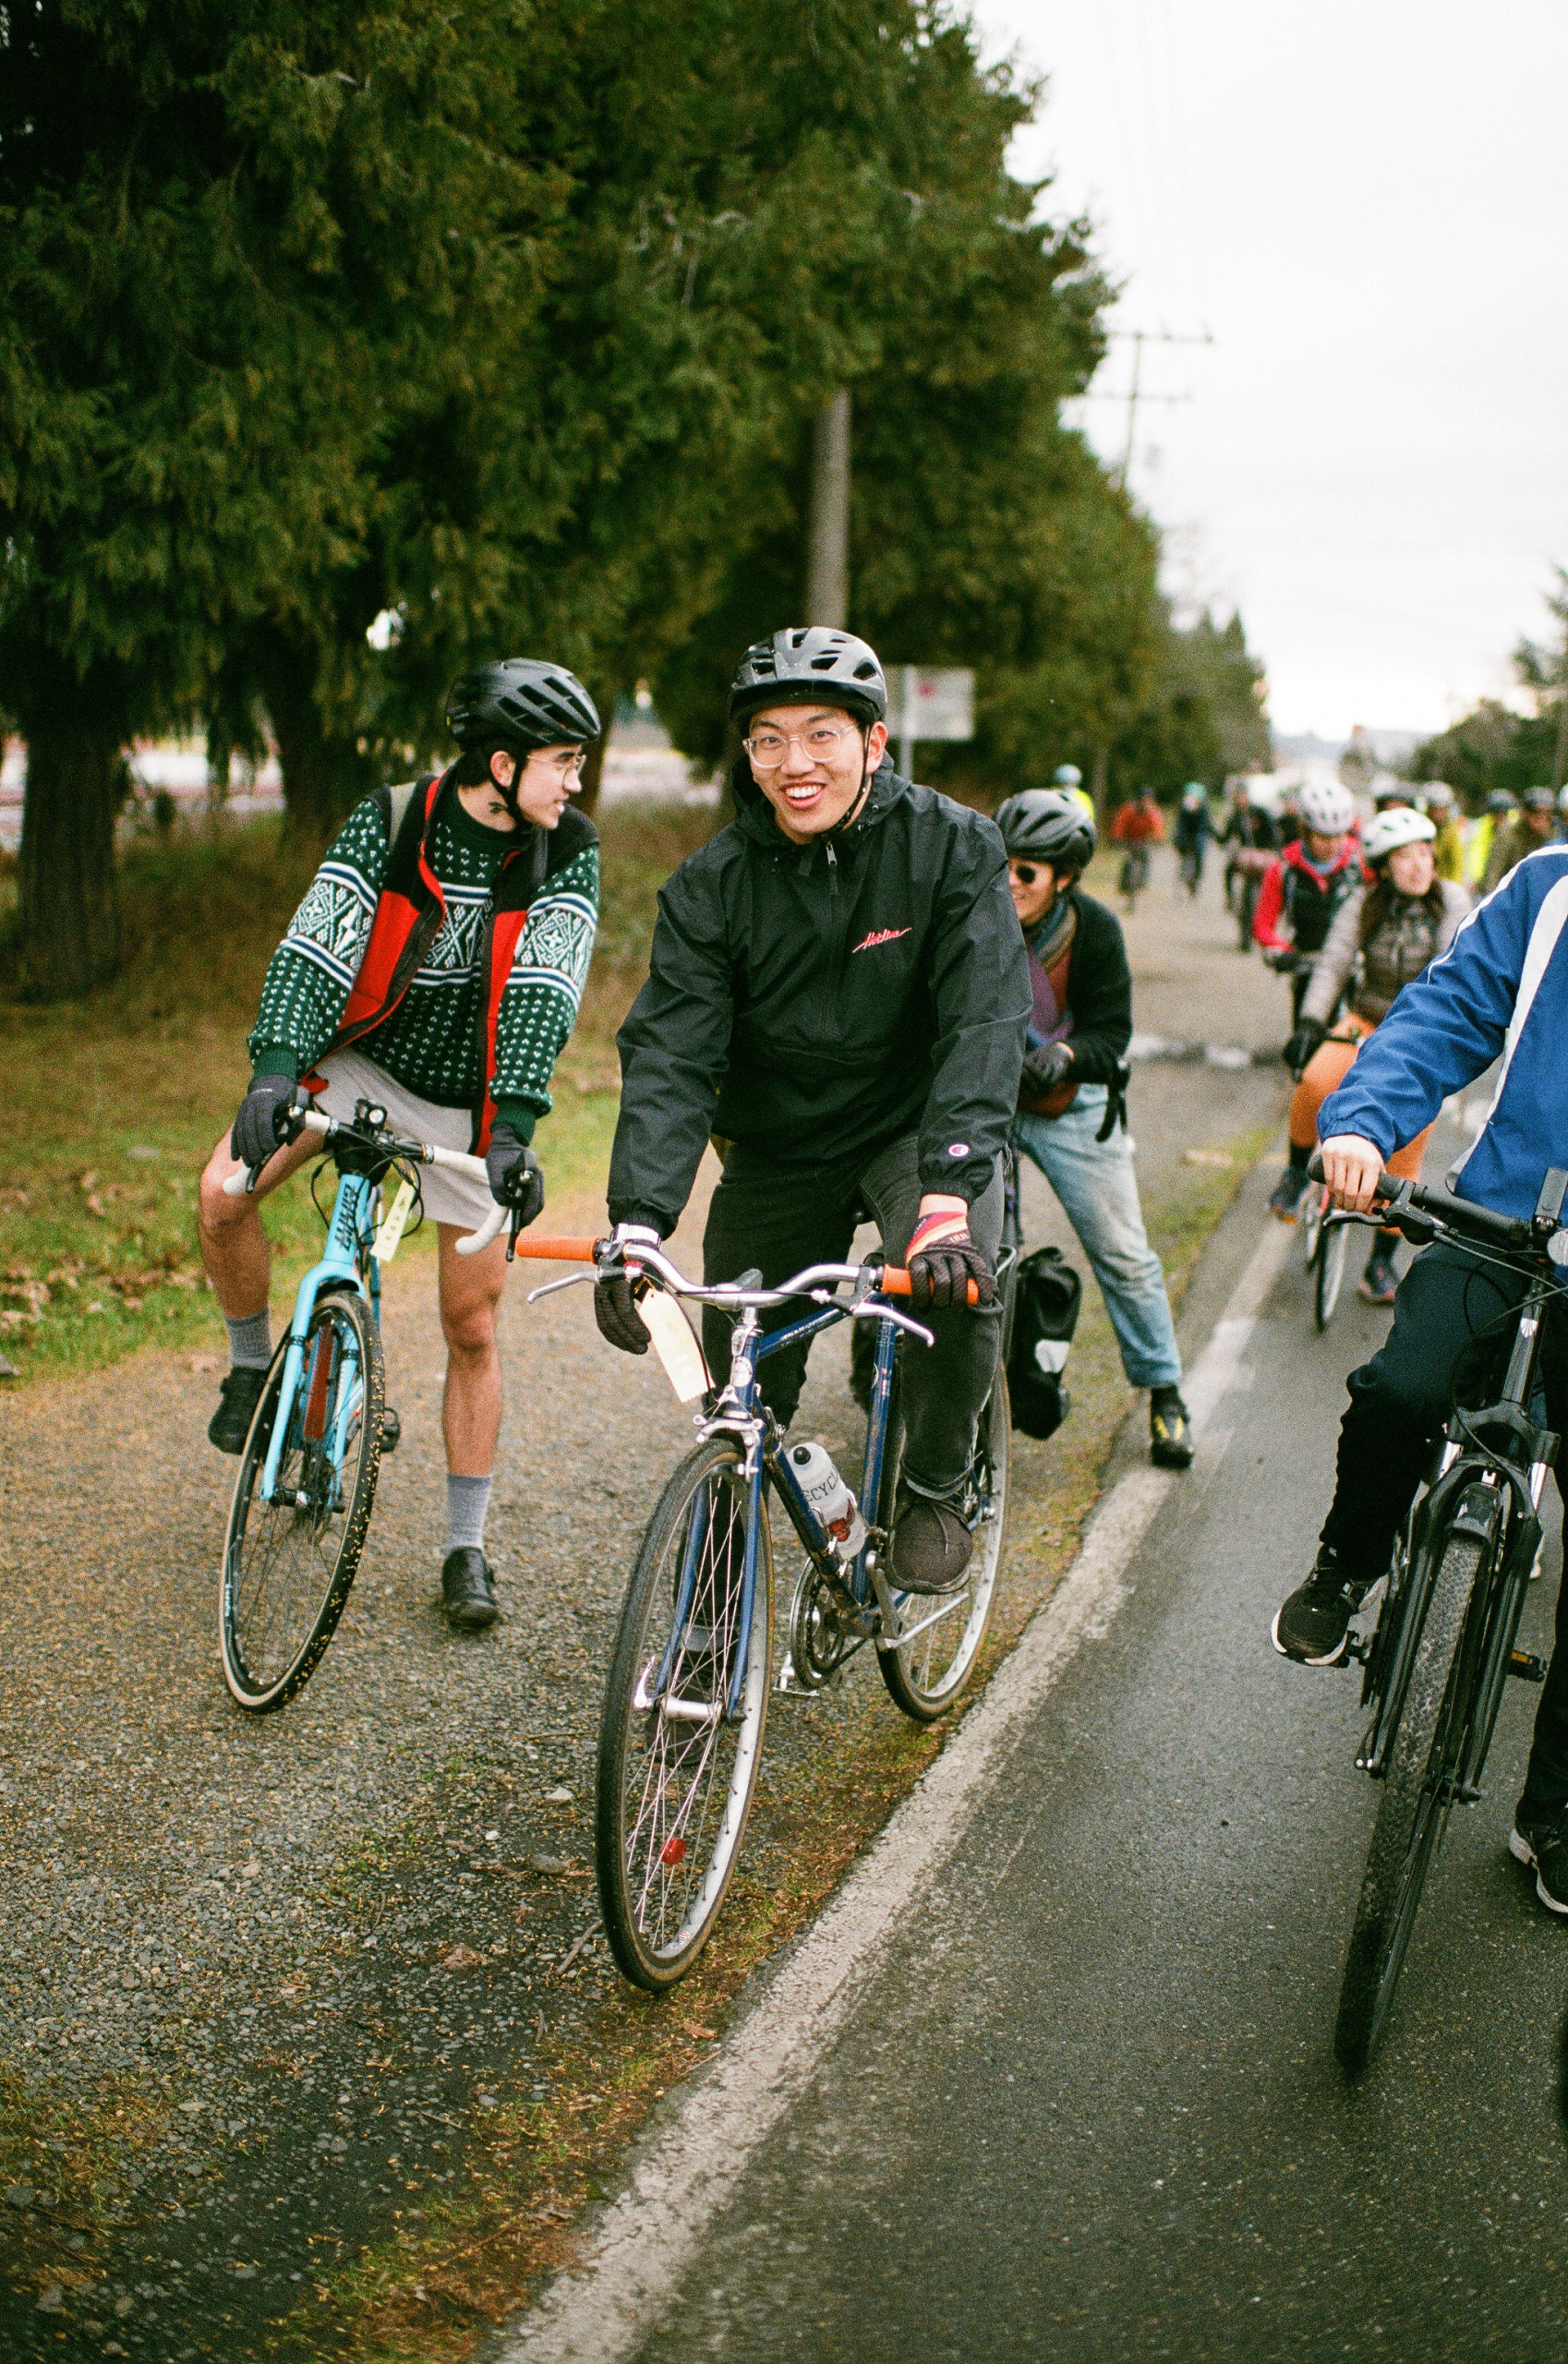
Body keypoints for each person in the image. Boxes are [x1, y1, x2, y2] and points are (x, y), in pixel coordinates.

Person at [594, 626, 1029, 1596]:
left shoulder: (953, 849)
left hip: (914, 1130)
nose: (796, 764)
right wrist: (639, 1222)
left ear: (875, 743)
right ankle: (710, 1606)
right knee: (734, 1390)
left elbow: (984, 1019)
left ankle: (933, 1484)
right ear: (745, 757)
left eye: (822, 734)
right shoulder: (712, 886)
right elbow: (671, 1051)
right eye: (769, 740)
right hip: (780, 1147)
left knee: (954, 1283)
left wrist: (953, 1191)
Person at [196, 659, 601, 1631]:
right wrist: (276, 1069)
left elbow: (545, 993)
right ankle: (255, 1369)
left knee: (472, 1323)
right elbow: (316, 942)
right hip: (366, 1061)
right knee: (222, 1191)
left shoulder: (565, 849)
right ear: (502, 765)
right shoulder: (395, 818)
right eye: (563, 762)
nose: (575, 784)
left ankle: (466, 1546)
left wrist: (510, 1132)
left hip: (473, 1104)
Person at [1271, 835, 1568, 1911]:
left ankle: (1556, 1814)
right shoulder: (1548, 886)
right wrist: (1360, 1123)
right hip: (1502, 1220)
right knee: (1401, 1389)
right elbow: (1444, 1014)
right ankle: (1348, 1567)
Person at [995, 790, 1193, 1468]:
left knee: (1123, 1253)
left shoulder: (1095, 931)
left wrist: (1065, 1056)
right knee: (942, 1243)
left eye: (1027, 872)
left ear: (1065, 877)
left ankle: (1165, 1394)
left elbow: (1115, 1034)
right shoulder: (970, 921)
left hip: (1069, 1106)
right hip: (987, 1104)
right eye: (1002, 867)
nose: (1010, 883)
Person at [1268, 809, 1468, 1295]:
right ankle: (1296, 1175)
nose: (1419, 865)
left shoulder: (1453, 901)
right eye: (1404, 856)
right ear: (1381, 866)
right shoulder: (1363, 902)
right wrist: (1311, 1024)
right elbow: (1335, 961)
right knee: (1315, 1081)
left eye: (1425, 852)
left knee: (1409, 1140)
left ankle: (1380, 1261)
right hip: (1365, 1017)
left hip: (1416, 1033)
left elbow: (1450, 972)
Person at [1252, 778, 1366, 1026]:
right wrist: (1280, 950)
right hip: (1307, 961)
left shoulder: (1362, 862)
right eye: (1323, 837)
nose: (1332, 844)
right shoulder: (1283, 869)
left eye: (1339, 836)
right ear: (1304, 831)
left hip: (1354, 962)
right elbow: (1263, 923)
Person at [1482, 785, 1559, 892]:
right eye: (1535, 811)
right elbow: (1493, 873)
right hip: (1510, 894)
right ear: (1524, 812)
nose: (1541, 818)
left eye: (1547, 813)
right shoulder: (1508, 835)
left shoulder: (1555, 837)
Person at [1110, 785, 1164, 908]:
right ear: (1138, 800)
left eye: (1149, 801)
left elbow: (1158, 828)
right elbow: (1119, 825)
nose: (1146, 803)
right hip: (1128, 840)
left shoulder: (1153, 812)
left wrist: (1157, 839)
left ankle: (1142, 882)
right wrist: (1117, 839)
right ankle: (1124, 885)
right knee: (1127, 861)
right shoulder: (1128, 810)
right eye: (1144, 800)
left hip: (1143, 841)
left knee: (1146, 857)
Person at [1465, 788, 1515, 891]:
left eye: (1503, 813)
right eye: (1496, 813)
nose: (1499, 817)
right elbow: (1477, 852)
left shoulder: (1516, 826)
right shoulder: (1484, 826)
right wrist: (1476, 878)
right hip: (1492, 873)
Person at [1419, 780, 1466, 886]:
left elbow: (1456, 864)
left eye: (1442, 809)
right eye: (1435, 809)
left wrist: (1454, 887)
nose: (1438, 813)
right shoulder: (1420, 825)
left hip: (1442, 883)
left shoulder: (1451, 831)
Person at [1173, 785, 1211, 897]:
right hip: (1186, 832)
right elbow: (1180, 825)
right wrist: (1179, 838)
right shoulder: (1183, 809)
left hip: (1199, 833)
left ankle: (1196, 879)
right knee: (1181, 845)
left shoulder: (1204, 810)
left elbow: (1204, 827)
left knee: (1199, 851)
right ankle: (1182, 875)